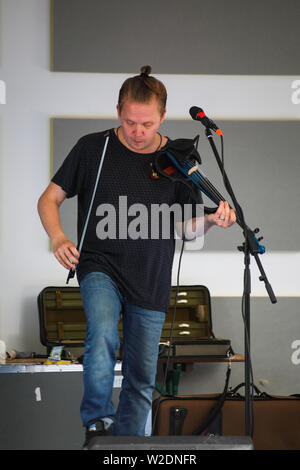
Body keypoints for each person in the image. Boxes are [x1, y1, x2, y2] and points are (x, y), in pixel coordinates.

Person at [37, 65, 236, 448]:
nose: (137, 132)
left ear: (162, 116)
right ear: (117, 111)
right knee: (101, 335)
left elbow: (185, 228)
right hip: (100, 266)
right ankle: (96, 422)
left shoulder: (178, 160)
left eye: (146, 123)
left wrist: (211, 220)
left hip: (151, 275)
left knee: (141, 376)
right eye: (129, 122)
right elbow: (49, 199)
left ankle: (124, 447)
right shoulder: (92, 148)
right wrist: (59, 237)